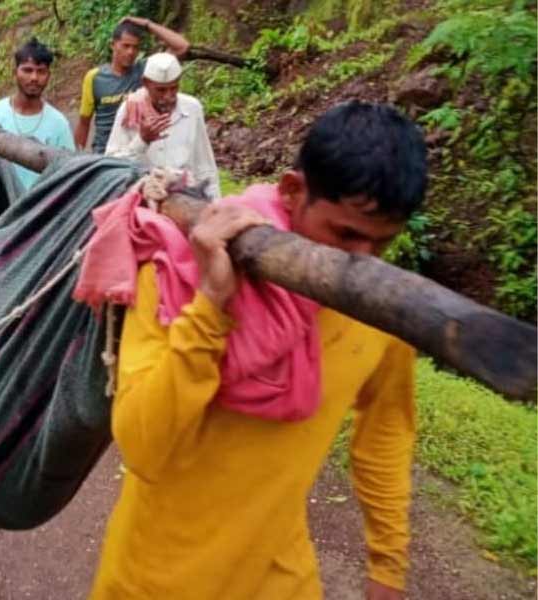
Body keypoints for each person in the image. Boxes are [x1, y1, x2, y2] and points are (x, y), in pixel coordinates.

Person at [89, 101, 427, 600]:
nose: (361, 266)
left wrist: (387, 567)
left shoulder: (381, 308)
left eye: (381, 245)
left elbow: (385, 435)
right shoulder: (175, 276)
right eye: (344, 235)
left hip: (282, 583)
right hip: (149, 582)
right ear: (292, 192)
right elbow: (142, 446)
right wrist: (209, 308)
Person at [105, 52, 220, 198]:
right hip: (145, 199)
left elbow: (205, 165)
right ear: (146, 83)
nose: (168, 96)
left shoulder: (192, 108)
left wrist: (215, 204)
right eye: (160, 90)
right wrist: (142, 140)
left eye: (174, 88)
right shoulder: (130, 110)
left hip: (186, 198)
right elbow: (111, 166)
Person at [75, 16, 189, 154]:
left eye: (135, 47)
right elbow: (84, 122)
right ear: (113, 45)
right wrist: (77, 157)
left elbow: (182, 47)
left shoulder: (147, 71)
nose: (130, 52)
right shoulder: (94, 77)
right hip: (104, 154)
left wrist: (147, 24)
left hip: (140, 150)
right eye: (126, 46)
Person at [0, 38, 75, 191]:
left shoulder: (59, 124)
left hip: (40, 208)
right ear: (15, 72)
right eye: (27, 70)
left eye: (41, 71)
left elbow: (68, 173)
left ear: (48, 75)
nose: (34, 77)